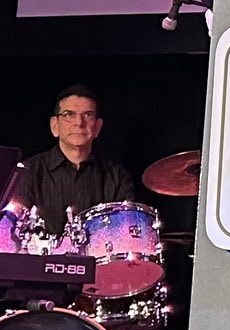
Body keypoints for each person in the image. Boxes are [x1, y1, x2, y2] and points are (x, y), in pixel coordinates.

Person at [10, 85, 136, 234]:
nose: (79, 123)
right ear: (55, 126)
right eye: (69, 114)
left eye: (88, 115)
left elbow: (125, 235)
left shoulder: (117, 177)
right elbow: (13, 232)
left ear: (97, 127)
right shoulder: (27, 172)